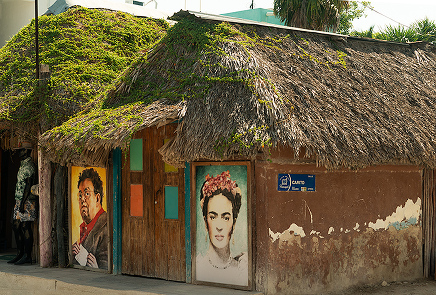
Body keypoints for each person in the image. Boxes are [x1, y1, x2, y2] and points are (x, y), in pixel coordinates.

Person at [196, 171, 248, 286]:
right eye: (213, 217)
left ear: (233, 224)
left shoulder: (243, 269)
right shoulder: (197, 266)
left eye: (225, 218)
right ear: (205, 222)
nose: (219, 227)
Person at [72, 168, 108, 269]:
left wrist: (96, 267)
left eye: (87, 194)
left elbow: (105, 267)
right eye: (80, 195)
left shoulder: (106, 227)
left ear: (97, 198)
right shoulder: (85, 227)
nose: (82, 199)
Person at [8, 145, 37, 265]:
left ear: (26, 151)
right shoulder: (23, 165)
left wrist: (23, 202)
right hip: (20, 199)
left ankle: (27, 255)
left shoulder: (29, 166)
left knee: (25, 226)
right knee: (15, 225)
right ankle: (20, 253)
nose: (19, 152)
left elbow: (28, 185)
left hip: (27, 200)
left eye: (20, 150)